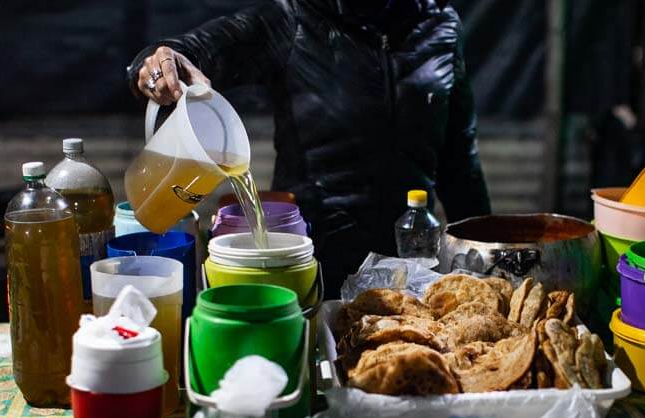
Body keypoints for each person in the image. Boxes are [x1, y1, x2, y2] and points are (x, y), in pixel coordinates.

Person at [128, 0, 491, 290]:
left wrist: (488, 259)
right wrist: (162, 64)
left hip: (414, 265)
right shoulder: (292, 19)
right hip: (314, 269)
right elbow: (194, 50)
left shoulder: (439, 24)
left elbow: (460, 163)